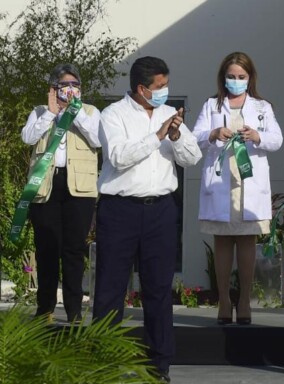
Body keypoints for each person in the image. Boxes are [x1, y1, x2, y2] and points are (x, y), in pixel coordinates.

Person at [93, 56, 202, 383]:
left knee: (157, 289)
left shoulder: (170, 115)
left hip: (161, 210)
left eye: (166, 85)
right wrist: (156, 136)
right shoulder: (113, 115)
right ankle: (104, 362)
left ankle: (160, 365)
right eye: (159, 87)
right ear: (141, 88)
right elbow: (118, 157)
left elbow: (193, 157)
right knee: (111, 289)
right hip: (120, 209)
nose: (165, 91)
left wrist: (177, 136)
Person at [192, 52, 283, 325]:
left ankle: (244, 300)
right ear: (223, 77)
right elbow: (194, 137)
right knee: (222, 241)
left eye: (241, 77)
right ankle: (223, 300)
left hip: (248, 181)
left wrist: (257, 136)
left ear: (250, 78)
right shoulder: (211, 105)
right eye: (231, 76)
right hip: (222, 180)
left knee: (246, 241)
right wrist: (212, 134)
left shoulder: (262, 107)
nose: (236, 81)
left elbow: (276, 139)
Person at [21, 63, 100, 323]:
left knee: (74, 249)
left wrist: (74, 113)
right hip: (46, 186)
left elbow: (98, 140)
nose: (70, 90)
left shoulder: (90, 112)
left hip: (79, 188)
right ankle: (44, 309)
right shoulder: (40, 111)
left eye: (74, 85)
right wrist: (51, 114)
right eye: (64, 85)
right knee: (46, 248)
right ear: (54, 88)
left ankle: (74, 310)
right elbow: (28, 138)